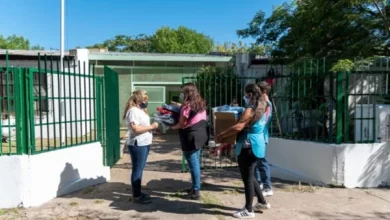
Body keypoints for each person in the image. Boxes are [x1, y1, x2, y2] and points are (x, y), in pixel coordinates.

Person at [216, 83, 271, 219]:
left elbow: (238, 127)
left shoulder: (250, 109)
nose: (245, 97)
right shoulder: (265, 107)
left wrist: (222, 135)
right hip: (257, 145)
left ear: (250, 94)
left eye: (246, 94)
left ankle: (248, 209)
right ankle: (262, 202)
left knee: (247, 179)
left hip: (247, 146)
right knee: (251, 176)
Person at [171, 83, 208, 200]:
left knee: (193, 164)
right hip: (200, 136)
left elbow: (182, 124)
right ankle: (194, 187)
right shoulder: (200, 104)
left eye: (182, 92)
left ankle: (196, 190)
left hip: (190, 137)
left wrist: (170, 126)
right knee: (195, 162)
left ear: (187, 93)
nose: (181, 94)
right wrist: (179, 105)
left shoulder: (187, 107)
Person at [123, 90, 159, 204]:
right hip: (137, 144)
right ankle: (137, 197)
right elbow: (135, 129)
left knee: (140, 169)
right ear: (138, 99)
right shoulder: (133, 111)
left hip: (144, 143)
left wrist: (152, 128)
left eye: (146, 99)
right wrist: (152, 126)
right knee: (137, 170)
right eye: (144, 99)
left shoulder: (140, 110)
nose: (145, 102)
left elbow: (142, 126)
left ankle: (137, 192)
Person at [254, 81, 273, 197]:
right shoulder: (263, 103)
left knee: (261, 161)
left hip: (261, 136)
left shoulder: (265, 104)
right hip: (260, 135)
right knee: (256, 162)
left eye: (258, 90)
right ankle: (259, 183)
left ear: (264, 91)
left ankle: (267, 186)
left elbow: (261, 120)